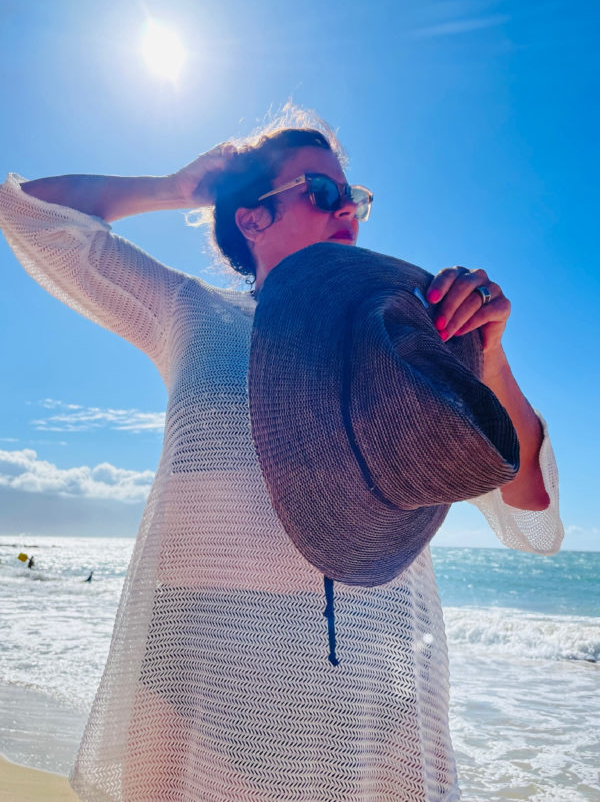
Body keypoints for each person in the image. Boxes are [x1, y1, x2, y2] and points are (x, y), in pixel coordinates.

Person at [0, 110, 562, 802]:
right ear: (253, 219)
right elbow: (25, 211)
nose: (347, 214)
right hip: (198, 684)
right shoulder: (187, 311)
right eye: (322, 193)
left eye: (353, 199)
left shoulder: (397, 337)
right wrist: (175, 187)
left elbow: (527, 503)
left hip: (374, 695)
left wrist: (489, 354)